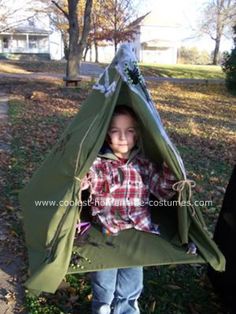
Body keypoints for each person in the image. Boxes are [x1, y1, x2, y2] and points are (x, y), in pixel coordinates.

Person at [81, 105, 177, 314]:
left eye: (129, 130)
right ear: (107, 135)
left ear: (137, 134)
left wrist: (171, 167)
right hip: (107, 230)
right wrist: (83, 181)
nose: (123, 137)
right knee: (104, 279)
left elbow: (162, 190)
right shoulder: (98, 164)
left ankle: (126, 308)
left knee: (132, 280)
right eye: (116, 131)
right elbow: (89, 179)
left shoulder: (143, 165)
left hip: (137, 232)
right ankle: (103, 307)